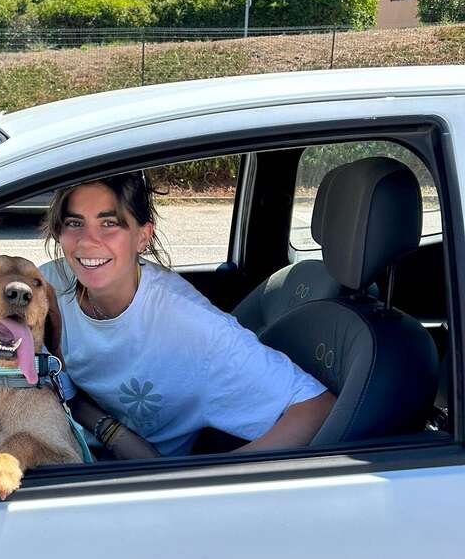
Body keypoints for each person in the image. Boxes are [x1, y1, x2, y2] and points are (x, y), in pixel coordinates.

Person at [40, 171, 335, 459]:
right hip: (63, 438)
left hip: (129, 476)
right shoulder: (48, 287)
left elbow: (316, 406)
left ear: (142, 236)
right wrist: (110, 431)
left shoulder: (192, 326)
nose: (87, 241)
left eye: (109, 223)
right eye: (75, 223)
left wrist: (212, 483)